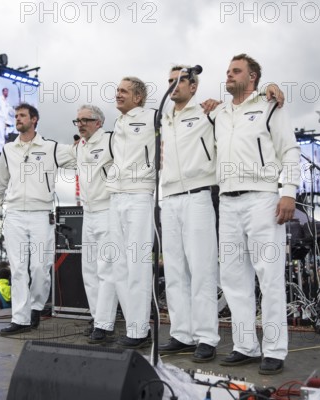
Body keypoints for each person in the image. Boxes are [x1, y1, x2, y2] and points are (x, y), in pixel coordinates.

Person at [215, 54, 300, 375]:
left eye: (235, 71)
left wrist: (288, 190)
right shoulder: (220, 113)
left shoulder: (269, 104)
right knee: (233, 278)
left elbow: (289, 148)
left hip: (263, 197)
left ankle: (275, 349)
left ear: (252, 78)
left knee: (270, 276)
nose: (229, 75)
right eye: (227, 71)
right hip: (227, 200)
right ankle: (245, 345)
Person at [0, 103, 74, 336]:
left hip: (41, 213)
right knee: (18, 269)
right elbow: (0, 182)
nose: (18, 119)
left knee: (40, 267)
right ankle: (20, 318)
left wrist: (87, 145)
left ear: (34, 119)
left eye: (22, 115)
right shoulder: (8, 149)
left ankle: (35, 306)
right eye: (16, 116)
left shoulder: (50, 147)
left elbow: (78, 157)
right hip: (14, 214)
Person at [157, 66, 221, 362]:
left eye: (180, 80)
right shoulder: (164, 117)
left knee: (202, 269)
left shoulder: (207, 111)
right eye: (170, 81)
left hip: (197, 195)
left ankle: (207, 336)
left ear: (193, 87)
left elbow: (238, 111)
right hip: (169, 198)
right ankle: (182, 333)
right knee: (174, 271)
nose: (173, 85)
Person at [106, 77, 156, 348]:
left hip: (139, 195)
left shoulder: (153, 117)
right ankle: (134, 327)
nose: (118, 94)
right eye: (117, 91)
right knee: (120, 266)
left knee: (137, 265)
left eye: (123, 91)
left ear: (138, 97)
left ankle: (140, 330)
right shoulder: (118, 123)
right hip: (116, 196)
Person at [69, 104, 119, 344]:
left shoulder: (111, 140)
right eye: (77, 120)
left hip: (108, 210)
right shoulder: (79, 147)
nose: (80, 124)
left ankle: (105, 324)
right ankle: (97, 317)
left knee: (106, 269)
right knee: (88, 270)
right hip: (87, 212)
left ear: (99, 122)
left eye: (85, 120)